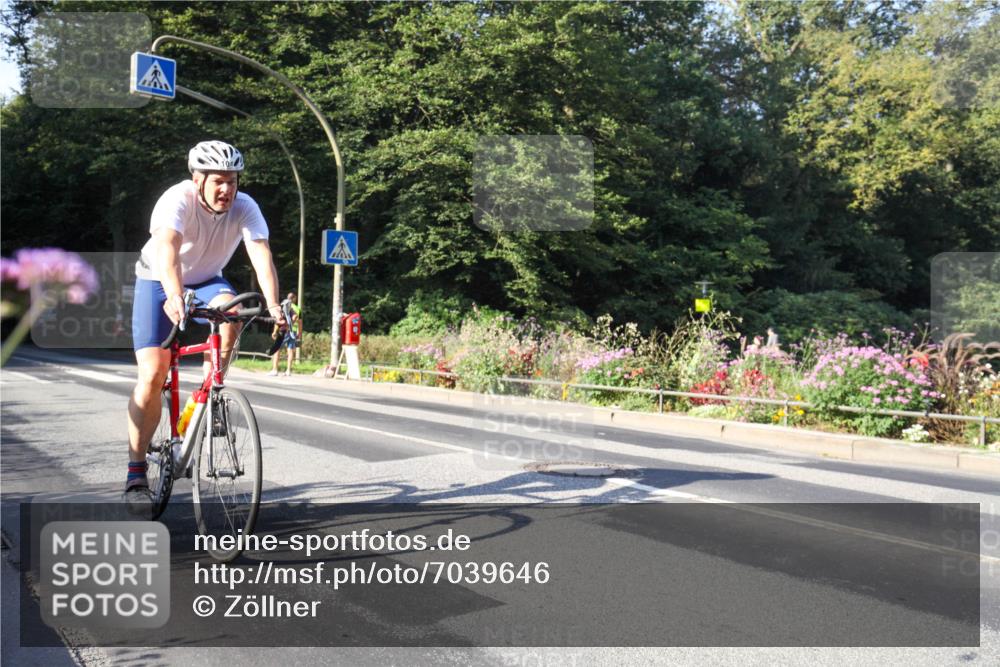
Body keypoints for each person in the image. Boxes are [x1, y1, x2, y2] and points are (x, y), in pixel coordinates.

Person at [125, 140, 286, 506]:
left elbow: (260, 254)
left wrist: (275, 306)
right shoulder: (176, 199)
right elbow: (167, 248)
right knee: (153, 373)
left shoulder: (245, 207)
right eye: (218, 181)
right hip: (158, 279)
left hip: (210, 279)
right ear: (197, 179)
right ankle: (136, 473)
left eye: (232, 181)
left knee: (230, 312)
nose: (227, 189)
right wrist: (175, 295)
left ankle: (211, 392)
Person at [269, 291, 301, 376]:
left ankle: (275, 370)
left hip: (283, 331)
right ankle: (288, 370)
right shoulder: (298, 309)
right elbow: (300, 322)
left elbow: (278, 321)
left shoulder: (283, 306)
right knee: (290, 351)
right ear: (294, 298)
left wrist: (275, 331)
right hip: (293, 332)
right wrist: (299, 333)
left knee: (277, 349)